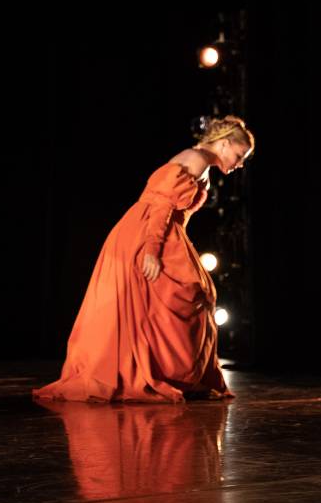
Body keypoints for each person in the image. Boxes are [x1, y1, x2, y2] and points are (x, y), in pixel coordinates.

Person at [34, 116, 255, 403]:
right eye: (239, 156)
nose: (239, 164)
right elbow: (162, 203)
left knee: (190, 297)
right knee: (185, 294)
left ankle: (175, 375)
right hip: (147, 232)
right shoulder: (197, 159)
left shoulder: (203, 164)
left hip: (162, 232)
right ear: (224, 144)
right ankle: (157, 374)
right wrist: (151, 250)